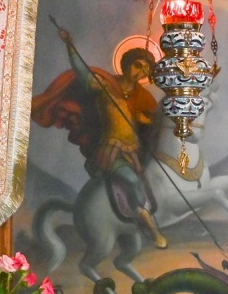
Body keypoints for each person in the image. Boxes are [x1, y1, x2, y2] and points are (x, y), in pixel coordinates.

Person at [31, 25, 169, 247]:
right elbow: (82, 72)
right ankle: (151, 229)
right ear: (127, 63)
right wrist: (70, 46)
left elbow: (155, 121)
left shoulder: (142, 95)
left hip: (135, 151)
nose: (140, 72)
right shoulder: (105, 87)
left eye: (145, 70)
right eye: (137, 66)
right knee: (132, 180)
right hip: (111, 151)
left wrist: (146, 121)